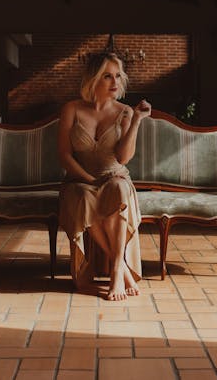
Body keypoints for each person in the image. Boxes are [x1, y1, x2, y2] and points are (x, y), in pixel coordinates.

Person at [58, 52, 151, 301]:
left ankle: (116, 272)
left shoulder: (125, 112)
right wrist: (87, 179)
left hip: (114, 177)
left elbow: (123, 158)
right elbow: (65, 156)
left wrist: (137, 122)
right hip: (80, 180)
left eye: (118, 76)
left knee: (118, 191)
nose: (115, 82)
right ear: (93, 80)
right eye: (107, 76)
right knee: (83, 197)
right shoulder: (72, 109)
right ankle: (118, 265)